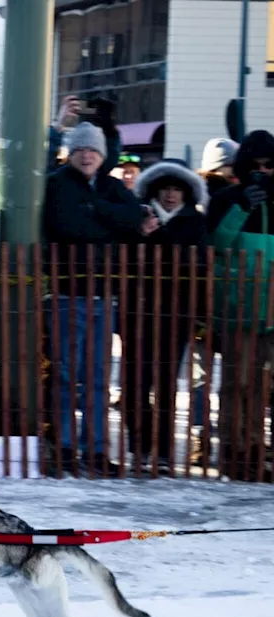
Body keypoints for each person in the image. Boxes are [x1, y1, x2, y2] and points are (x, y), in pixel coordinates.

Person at [42, 122, 151, 476]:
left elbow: (135, 216)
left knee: (98, 377)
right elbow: (69, 227)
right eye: (80, 149)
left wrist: (96, 209)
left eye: (93, 150)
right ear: (70, 153)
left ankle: (96, 449)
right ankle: (64, 446)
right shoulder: (58, 183)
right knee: (64, 373)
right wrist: (110, 223)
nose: (87, 155)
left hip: (104, 294)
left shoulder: (111, 186)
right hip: (67, 292)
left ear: (102, 155)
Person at [121, 159, 208, 476]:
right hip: (137, 313)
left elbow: (199, 268)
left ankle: (164, 449)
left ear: (186, 193)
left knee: (167, 384)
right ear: (155, 191)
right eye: (165, 189)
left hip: (176, 315)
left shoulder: (195, 224)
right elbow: (124, 260)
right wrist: (140, 235)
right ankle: (140, 447)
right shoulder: (138, 217)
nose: (170, 195)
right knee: (136, 383)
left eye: (176, 189)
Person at [207, 130, 274, 481]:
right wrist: (242, 207)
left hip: (272, 311)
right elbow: (216, 244)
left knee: (265, 387)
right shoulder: (227, 199)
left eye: (269, 165)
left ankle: (263, 453)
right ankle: (236, 453)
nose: (262, 172)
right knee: (238, 383)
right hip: (239, 308)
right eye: (255, 165)